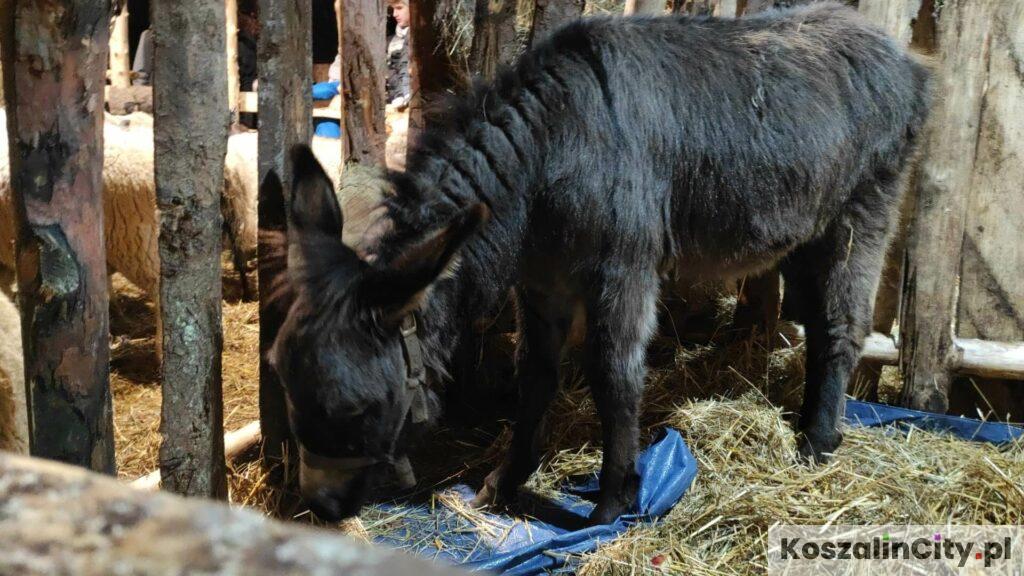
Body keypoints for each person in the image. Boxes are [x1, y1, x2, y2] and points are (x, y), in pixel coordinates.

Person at [385, 0, 411, 109]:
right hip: (393, 102)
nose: (395, 14)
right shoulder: (390, 41)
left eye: (399, 8)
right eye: (393, 9)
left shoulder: (423, 40)